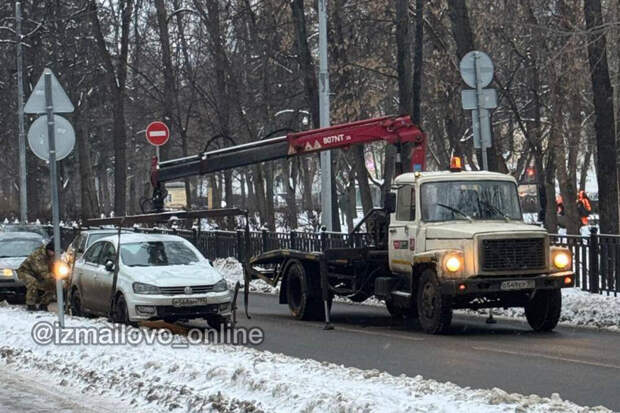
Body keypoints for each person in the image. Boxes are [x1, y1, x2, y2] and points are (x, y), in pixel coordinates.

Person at [16, 239, 57, 311]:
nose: (53, 254)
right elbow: (43, 273)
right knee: (33, 282)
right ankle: (30, 304)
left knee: (53, 284)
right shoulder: (38, 256)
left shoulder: (53, 256)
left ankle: (44, 304)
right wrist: (54, 276)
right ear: (48, 250)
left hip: (40, 274)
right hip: (26, 272)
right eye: (52, 251)